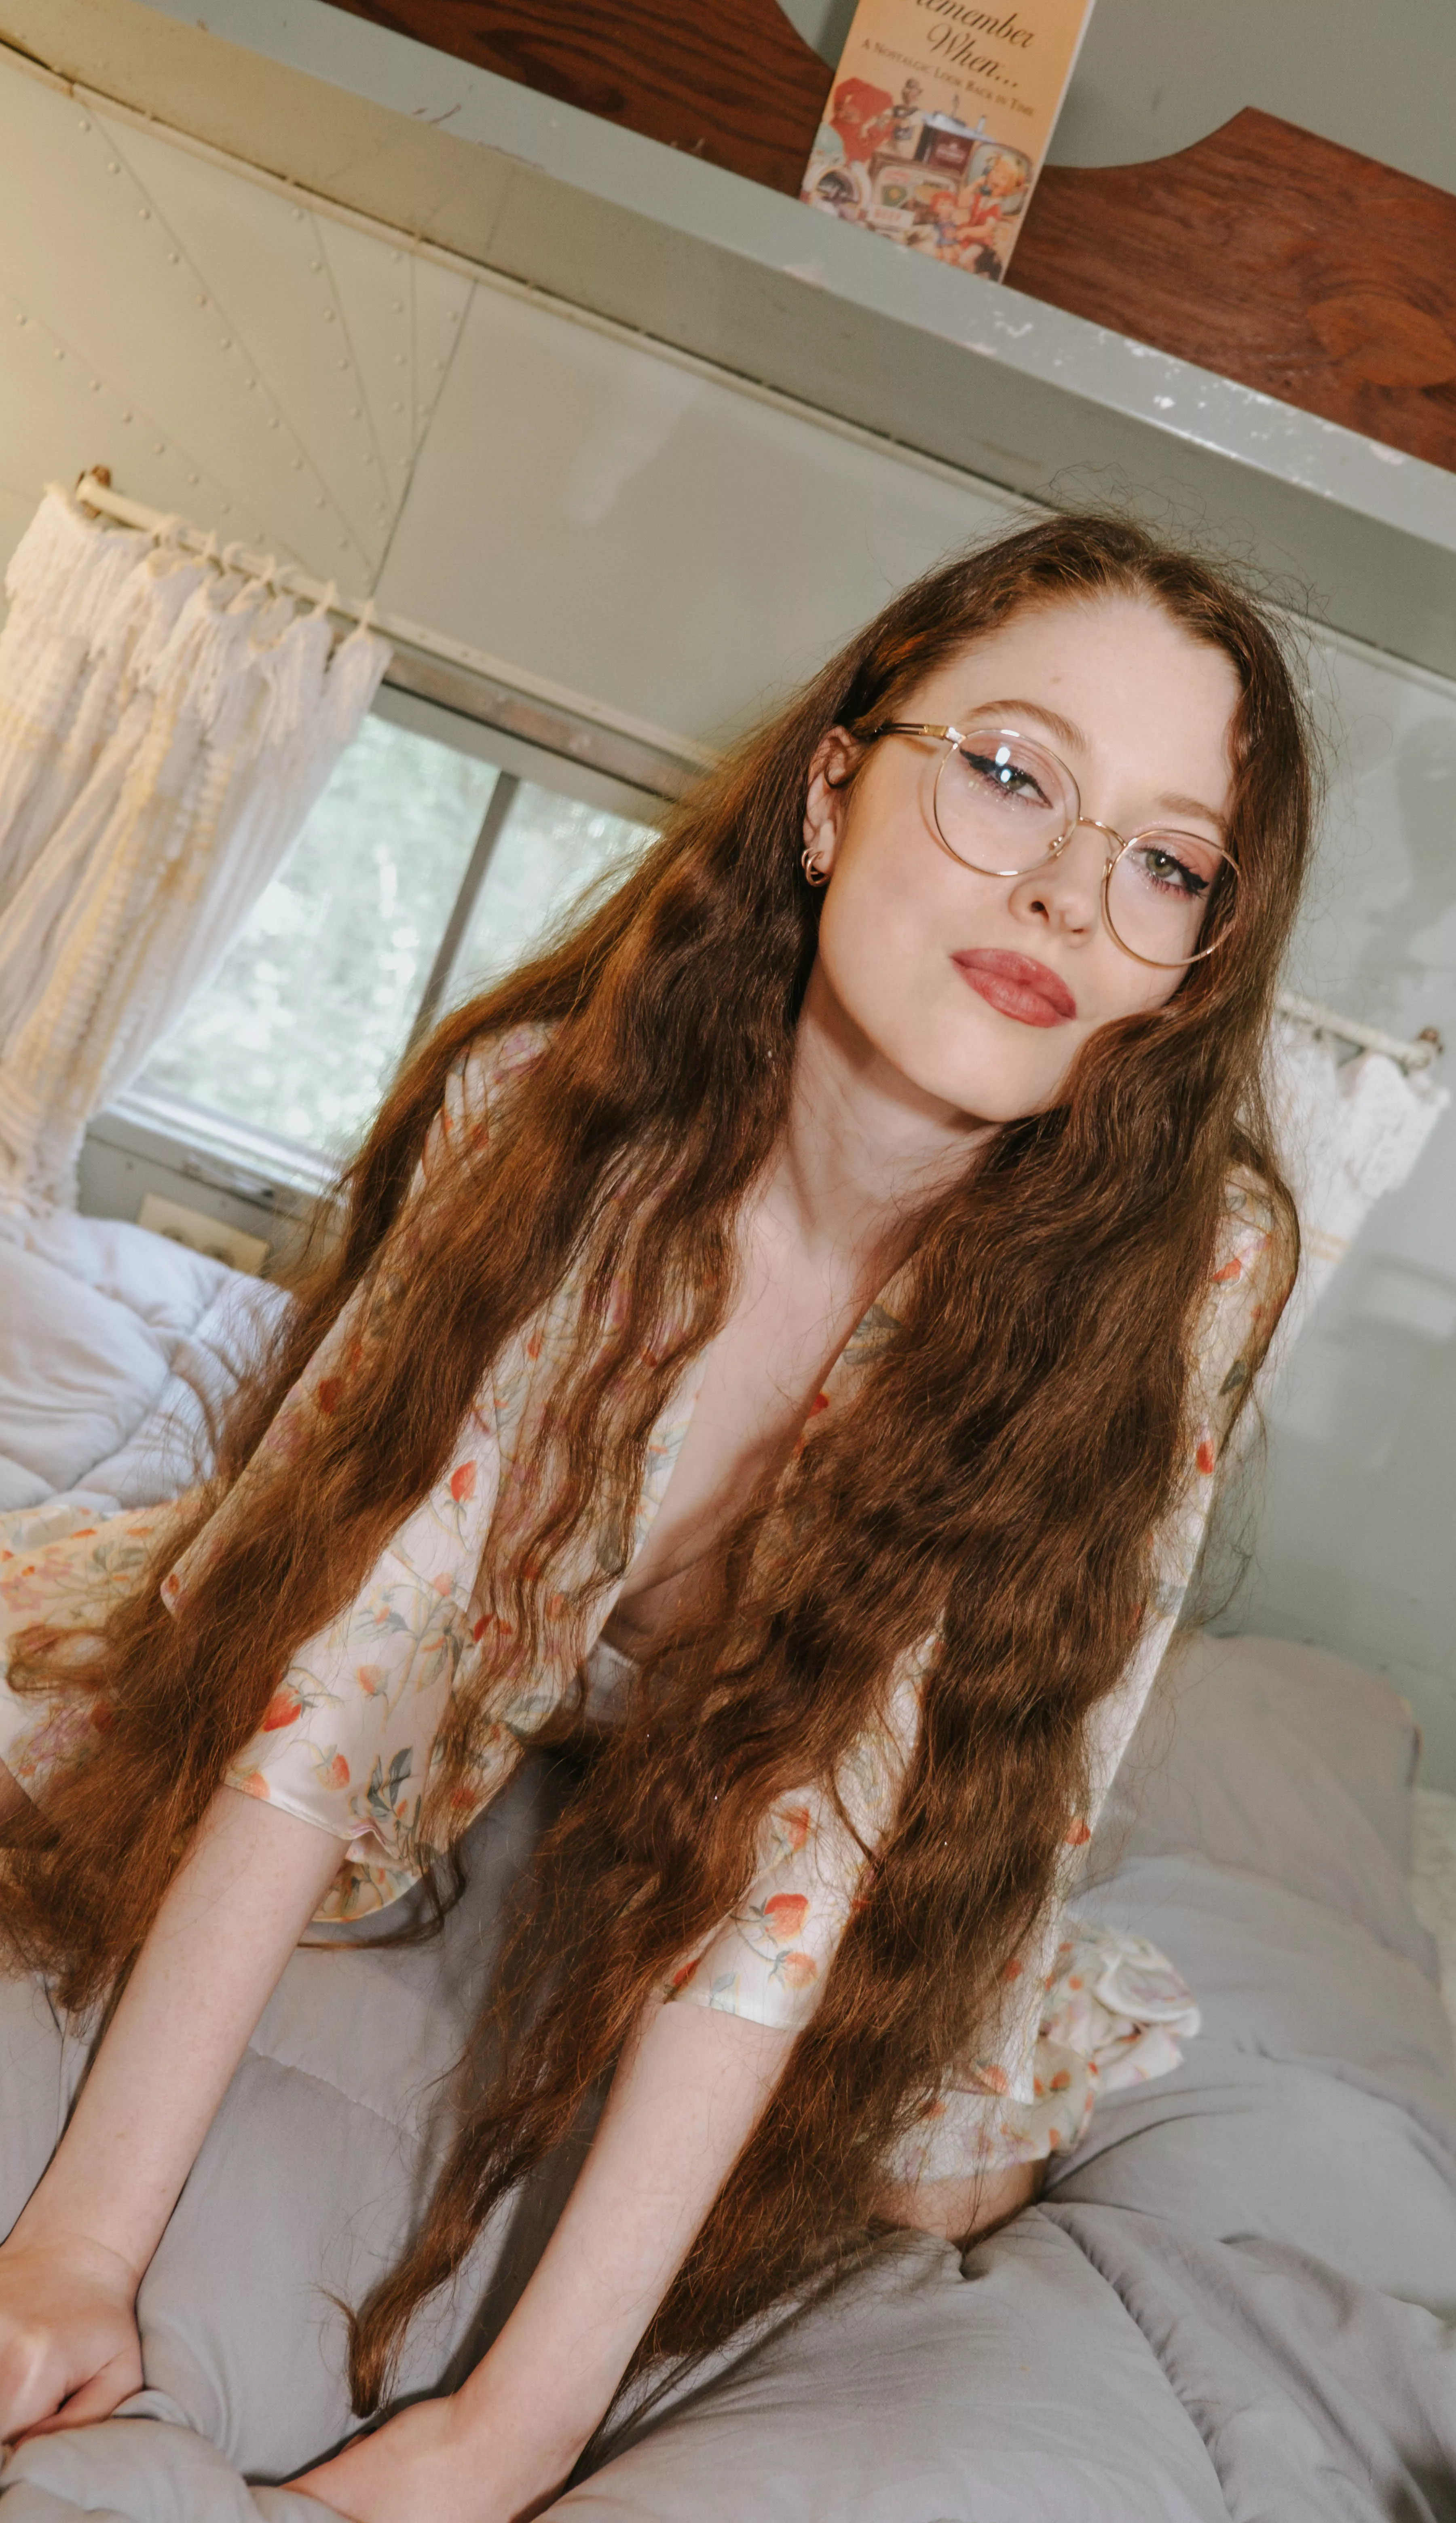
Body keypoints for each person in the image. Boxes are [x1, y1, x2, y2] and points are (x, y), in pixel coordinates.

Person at [0, 514, 1311, 2523]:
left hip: (832, 1761)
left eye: (1165, 864)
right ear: (830, 793)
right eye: (1009, 773)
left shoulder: (1183, 1270)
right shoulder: (562, 1108)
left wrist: (509, 2434)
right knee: (85, 1738)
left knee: (935, 2154)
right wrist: (81, 2251)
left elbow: (843, 1802)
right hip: (479, 1650)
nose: (1064, 890)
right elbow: (354, 1652)